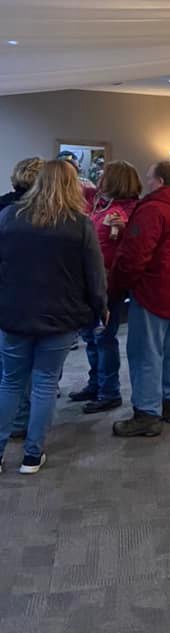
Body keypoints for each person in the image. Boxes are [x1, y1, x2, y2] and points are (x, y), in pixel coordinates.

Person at [0, 161, 106, 473]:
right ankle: (32, 456)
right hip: (61, 314)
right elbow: (95, 275)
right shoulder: (80, 224)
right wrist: (100, 308)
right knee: (45, 383)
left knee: (10, 382)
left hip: (14, 312)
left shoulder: (9, 216)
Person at [109, 161, 170, 438]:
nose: (147, 183)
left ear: (160, 181)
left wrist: (117, 285)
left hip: (153, 291)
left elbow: (136, 255)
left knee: (145, 353)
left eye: (149, 178)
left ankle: (147, 414)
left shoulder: (154, 208)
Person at [69, 161, 142, 413]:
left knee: (103, 337)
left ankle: (109, 391)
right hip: (91, 279)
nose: (99, 179)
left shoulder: (130, 210)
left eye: (104, 176)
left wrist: (122, 229)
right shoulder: (102, 203)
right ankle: (96, 383)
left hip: (109, 282)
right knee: (90, 336)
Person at [0, 157, 46, 439]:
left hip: (9, 297)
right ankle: (25, 427)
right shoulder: (54, 214)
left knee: (10, 371)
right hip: (44, 297)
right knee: (40, 374)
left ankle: (14, 419)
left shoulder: (3, 207)